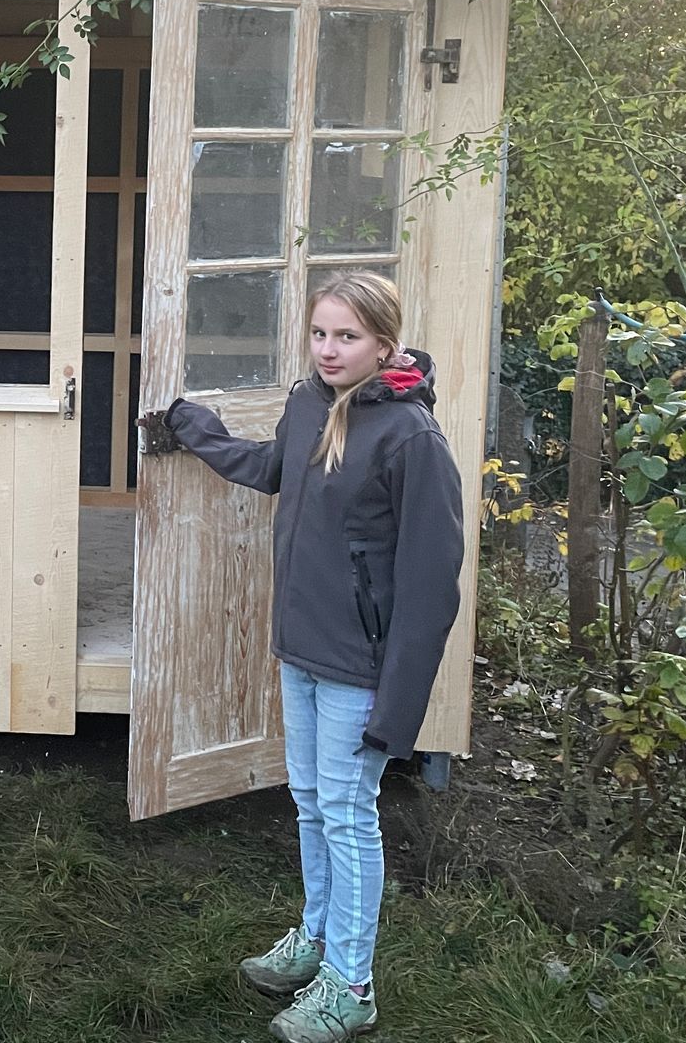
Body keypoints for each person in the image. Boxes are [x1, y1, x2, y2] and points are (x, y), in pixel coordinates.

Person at [139, 270, 465, 1043]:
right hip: (303, 651)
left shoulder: (412, 438)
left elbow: (431, 586)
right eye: (320, 333)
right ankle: (318, 940)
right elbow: (269, 469)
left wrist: (399, 708)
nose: (328, 349)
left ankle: (352, 986)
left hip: (360, 668)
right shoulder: (309, 402)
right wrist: (195, 427)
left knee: (349, 816)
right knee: (314, 803)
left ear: (384, 344)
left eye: (347, 336)